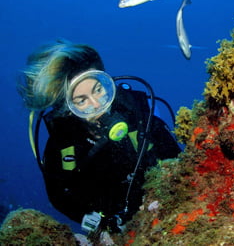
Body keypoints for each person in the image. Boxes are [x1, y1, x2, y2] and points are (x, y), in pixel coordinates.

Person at [17, 39, 181, 233]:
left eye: (98, 90)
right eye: (81, 100)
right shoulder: (63, 143)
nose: (97, 105)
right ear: (68, 109)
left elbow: (175, 158)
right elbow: (58, 196)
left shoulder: (136, 113)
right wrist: (98, 223)